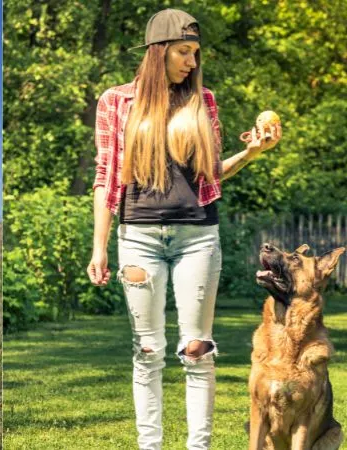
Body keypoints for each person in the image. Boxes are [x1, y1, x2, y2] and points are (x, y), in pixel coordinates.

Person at [86, 9, 281, 450]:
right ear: (159, 52)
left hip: (198, 237)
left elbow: (210, 174)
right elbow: (105, 177)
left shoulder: (202, 101)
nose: (192, 62)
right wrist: (99, 248)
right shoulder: (116, 102)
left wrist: (251, 153)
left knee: (197, 349)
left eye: (195, 53)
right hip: (137, 237)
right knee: (148, 351)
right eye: (183, 52)